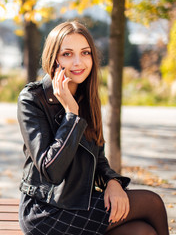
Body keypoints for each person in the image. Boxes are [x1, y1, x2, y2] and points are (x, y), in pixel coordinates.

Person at [17, 21, 169, 235]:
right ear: (54, 58)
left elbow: (97, 158)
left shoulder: (86, 96)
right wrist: (71, 114)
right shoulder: (32, 99)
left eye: (85, 52)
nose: (78, 62)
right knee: (152, 202)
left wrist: (113, 182)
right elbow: (51, 170)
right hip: (46, 211)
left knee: (142, 231)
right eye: (67, 54)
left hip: (79, 202)